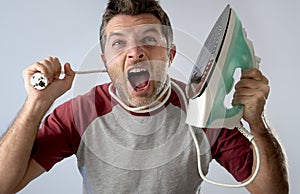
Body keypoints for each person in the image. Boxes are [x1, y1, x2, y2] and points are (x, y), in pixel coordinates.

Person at [0, 0, 289, 193]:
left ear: (171, 55)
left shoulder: (203, 110)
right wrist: (36, 105)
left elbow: (273, 191)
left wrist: (257, 123)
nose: (135, 52)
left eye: (149, 40)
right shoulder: (79, 113)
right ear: (105, 61)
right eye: (119, 43)